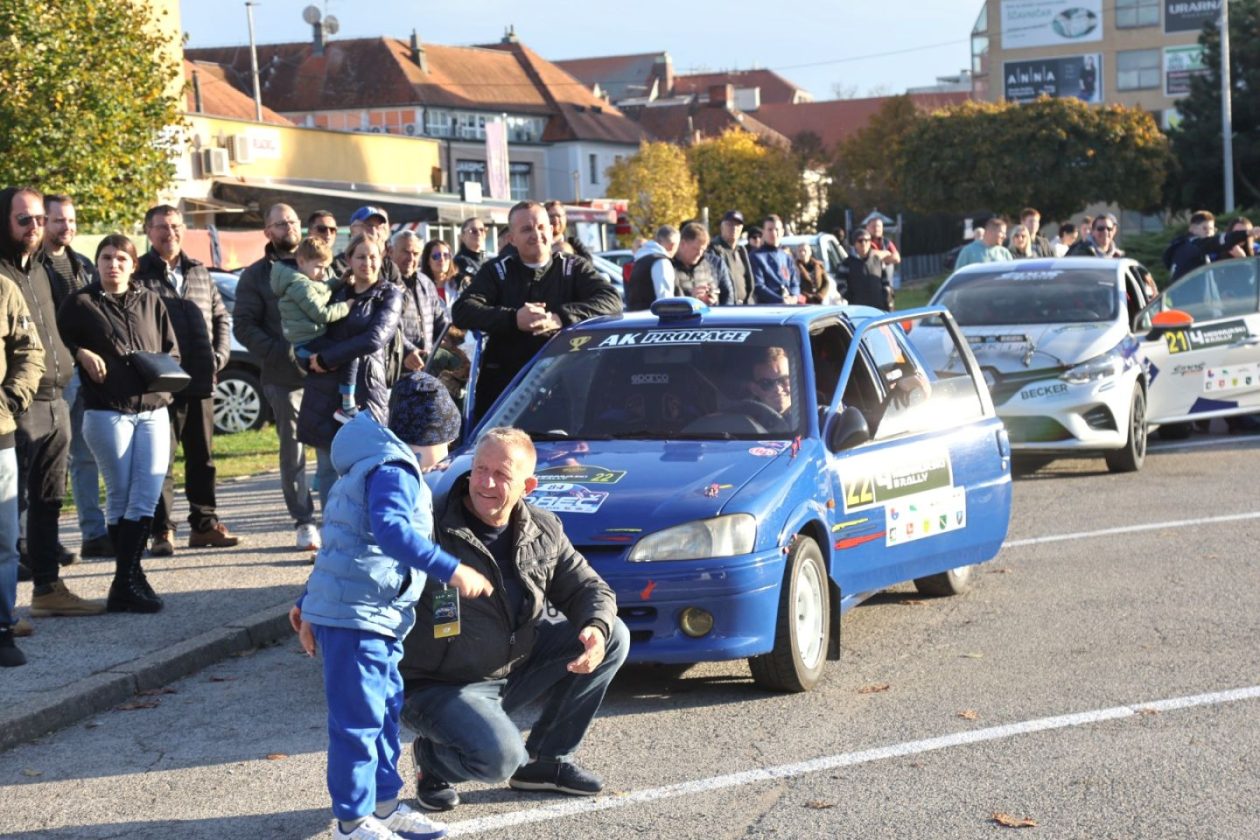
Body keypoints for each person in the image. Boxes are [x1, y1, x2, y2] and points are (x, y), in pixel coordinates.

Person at [290, 373, 491, 840]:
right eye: (446, 441)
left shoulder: (376, 464)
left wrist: (307, 602)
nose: (447, 453)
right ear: (427, 437)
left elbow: (342, 545)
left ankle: (383, 807)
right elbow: (391, 532)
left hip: (376, 616)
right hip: (358, 617)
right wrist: (452, 570)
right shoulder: (394, 470)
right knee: (358, 722)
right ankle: (351, 821)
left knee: (382, 714)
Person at [399, 427, 629, 812]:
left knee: (613, 635)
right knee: (499, 759)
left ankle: (546, 761)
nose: (485, 483)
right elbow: (365, 567)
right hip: (437, 685)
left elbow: (590, 588)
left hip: (508, 667)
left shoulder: (543, 528)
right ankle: (433, 762)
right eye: (480, 469)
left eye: (501, 474)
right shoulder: (429, 524)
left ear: (528, 486)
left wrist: (595, 627)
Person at [57, 234, 180, 614]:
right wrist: (79, 352)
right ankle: (128, 580)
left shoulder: (150, 300)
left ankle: (127, 579)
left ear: (133, 265)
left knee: (146, 495)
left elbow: (171, 350)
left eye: (121, 258)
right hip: (107, 411)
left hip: (153, 410)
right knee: (121, 494)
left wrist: (162, 378)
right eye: (106, 258)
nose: (113, 264)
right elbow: (56, 344)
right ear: (97, 263)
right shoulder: (80, 303)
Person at [0, 188, 99, 618]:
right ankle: (4, 613)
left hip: (58, 396)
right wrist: (10, 399)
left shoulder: (41, 269)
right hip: (17, 407)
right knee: (9, 511)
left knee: (48, 499)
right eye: (24, 219)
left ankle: (47, 589)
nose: (35, 227)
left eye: (40, 218)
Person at [452, 201, 622, 424]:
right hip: (505, 392)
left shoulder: (573, 267)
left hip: (563, 389)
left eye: (541, 227)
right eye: (526, 229)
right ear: (512, 238)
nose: (536, 235)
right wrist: (513, 319)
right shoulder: (497, 270)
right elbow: (462, 310)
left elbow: (612, 300)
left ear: (551, 230)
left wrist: (560, 317)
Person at [134, 205, 239, 554]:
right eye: (162, 227)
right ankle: (161, 530)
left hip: (200, 380)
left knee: (202, 458)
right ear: (148, 231)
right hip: (161, 383)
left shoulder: (198, 271)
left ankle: (204, 525)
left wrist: (219, 356)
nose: (171, 233)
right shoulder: (139, 273)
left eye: (176, 226)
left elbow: (221, 317)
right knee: (160, 460)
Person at [235, 204, 321, 551]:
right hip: (284, 376)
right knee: (294, 449)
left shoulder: (319, 262)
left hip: (327, 371)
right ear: (268, 232)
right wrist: (281, 351)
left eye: (293, 221)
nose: (289, 227)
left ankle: (340, 516)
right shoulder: (256, 275)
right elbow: (244, 325)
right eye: (281, 224)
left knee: (336, 447)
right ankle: (304, 520)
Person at [297, 234, 403, 511]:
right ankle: (331, 529)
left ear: (382, 259)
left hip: (365, 391)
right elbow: (307, 328)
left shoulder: (389, 294)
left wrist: (328, 357)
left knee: (366, 467)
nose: (367, 262)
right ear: (348, 260)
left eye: (373, 256)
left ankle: (364, 532)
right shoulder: (333, 291)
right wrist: (308, 359)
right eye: (360, 256)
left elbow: (374, 338)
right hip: (324, 390)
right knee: (327, 469)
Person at [40, 194, 111, 559]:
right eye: (58, 220)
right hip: (53, 375)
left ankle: (93, 535)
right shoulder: (32, 266)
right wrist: (78, 350)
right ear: (43, 222)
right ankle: (40, 541)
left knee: (86, 457)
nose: (66, 226)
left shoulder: (82, 264)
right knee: (48, 462)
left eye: (70, 220)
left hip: (86, 374)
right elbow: (46, 327)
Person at [0, 190, 47, 664]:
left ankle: (2, 626)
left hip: (0, 436)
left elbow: (30, 352)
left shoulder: (4, 289)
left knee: (3, 541)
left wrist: (10, 398)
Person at [272, 237, 359, 423]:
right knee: (350, 354)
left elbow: (322, 289)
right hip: (308, 344)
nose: (322, 272)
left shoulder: (304, 280)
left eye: (325, 267)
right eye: (319, 267)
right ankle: (347, 405)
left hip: (311, 339)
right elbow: (321, 313)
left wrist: (339, 282)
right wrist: (346, 306)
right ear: (301, 261)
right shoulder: (299, 285)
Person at [391, 232, 449, 371]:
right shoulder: (385, 283)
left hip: (425, 367)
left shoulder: (426, 282)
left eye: (416, 253)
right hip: (396, 368)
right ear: (391, 251)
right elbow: (386, 327)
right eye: (406, 252)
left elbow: (439, 321)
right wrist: (408, 351)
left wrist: (455, 339)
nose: (411, 258)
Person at [1163, 211, 1253, 280]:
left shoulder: (1183, 245)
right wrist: (1247, 233)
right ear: (1192, 229)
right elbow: (1216, 241)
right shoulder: (1194, 246)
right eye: (1204, 228)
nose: (1208, 232)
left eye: (1211, 229)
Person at [334, 207, 400, 284]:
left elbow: (401, 290)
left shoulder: (388, 266)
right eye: (369, 225)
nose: (374, 231)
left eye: (378, 227)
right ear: (353, 229)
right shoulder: (338, 264)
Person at [749, 215, 802, 304]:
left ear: (782, 232)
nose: (773, 233)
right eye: (770, 230)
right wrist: (780, 300)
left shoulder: (786, 257)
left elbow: (795, 283)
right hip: (768, 307)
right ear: (763, 232)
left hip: (789, 305)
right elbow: (758, 286)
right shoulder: (755, 257)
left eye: (777, 229)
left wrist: (794, 297)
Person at [838, 228, 894, 310]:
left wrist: (885, 297)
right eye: (860, 241)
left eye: (867, 240)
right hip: (858, 309)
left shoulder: (878, 261)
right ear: (855, 243)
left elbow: (886, 282)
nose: (864, 243)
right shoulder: (847, 263)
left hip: (879, 308)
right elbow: (840, 283)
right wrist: (852, 298)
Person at [625, 225, 679, 311]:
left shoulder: (640, 260)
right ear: (672, 246)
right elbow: (665, 300)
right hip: (653, 317)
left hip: (637, 316)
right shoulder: (661, 262)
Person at [710, 210, 755, 305]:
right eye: (730, 224)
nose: (734, 228)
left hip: (745, 306)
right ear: (722, 227)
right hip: (727, 307)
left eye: (737, 225)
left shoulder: (742, 251)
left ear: (742, 228)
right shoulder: (713, 250)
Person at [670, 222, 720, 305]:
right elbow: (669, 301)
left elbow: (714, 290)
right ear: (682, 244)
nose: (699, 254)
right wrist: (691, 298)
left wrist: (712, 299)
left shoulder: (704, 265)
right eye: (696, 249)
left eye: (703, 250)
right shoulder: (670, 267)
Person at [742, 346, 792, 422]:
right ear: (754, 389)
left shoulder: (811, 416)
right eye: (767, 383)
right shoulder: (742, 424)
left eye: (784, 380)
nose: (778, 389)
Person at [419, 238, 463, 314]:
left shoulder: (460, 284)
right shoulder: (420, 287)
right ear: (428, 261)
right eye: (436, 256)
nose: (442, 259)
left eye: (446, 255)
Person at [866, 217, 901, 290]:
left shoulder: (886, 242)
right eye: (873, 226)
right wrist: (887, 253)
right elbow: (869, 255)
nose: (876, 228)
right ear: (867, 228)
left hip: (887, 287)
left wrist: (877, 258)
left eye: (879, 226)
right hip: (869, 287)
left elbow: (897, 258)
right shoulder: (863, 241)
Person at [453, 218, 488, 284]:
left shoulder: (485, 257)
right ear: (463, 236)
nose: (479, 233)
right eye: (473, 231)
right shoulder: (459, 261)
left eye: (482, 230)